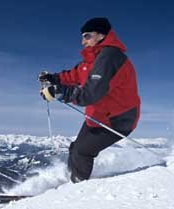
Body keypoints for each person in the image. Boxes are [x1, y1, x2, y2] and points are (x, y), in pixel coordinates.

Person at [39, 17, 141, 183]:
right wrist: (53, 78)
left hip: (118, 118)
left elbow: (91, 94)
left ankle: (79, 190)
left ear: (101, 35)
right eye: (82, 37)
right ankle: (72, 182)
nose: (82, 41)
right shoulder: (92, 61)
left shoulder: (110, 57)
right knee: (75, 148)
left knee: (82, 151)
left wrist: (59, 92)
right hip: (100, 115)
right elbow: (74, 75)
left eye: (87, 36)